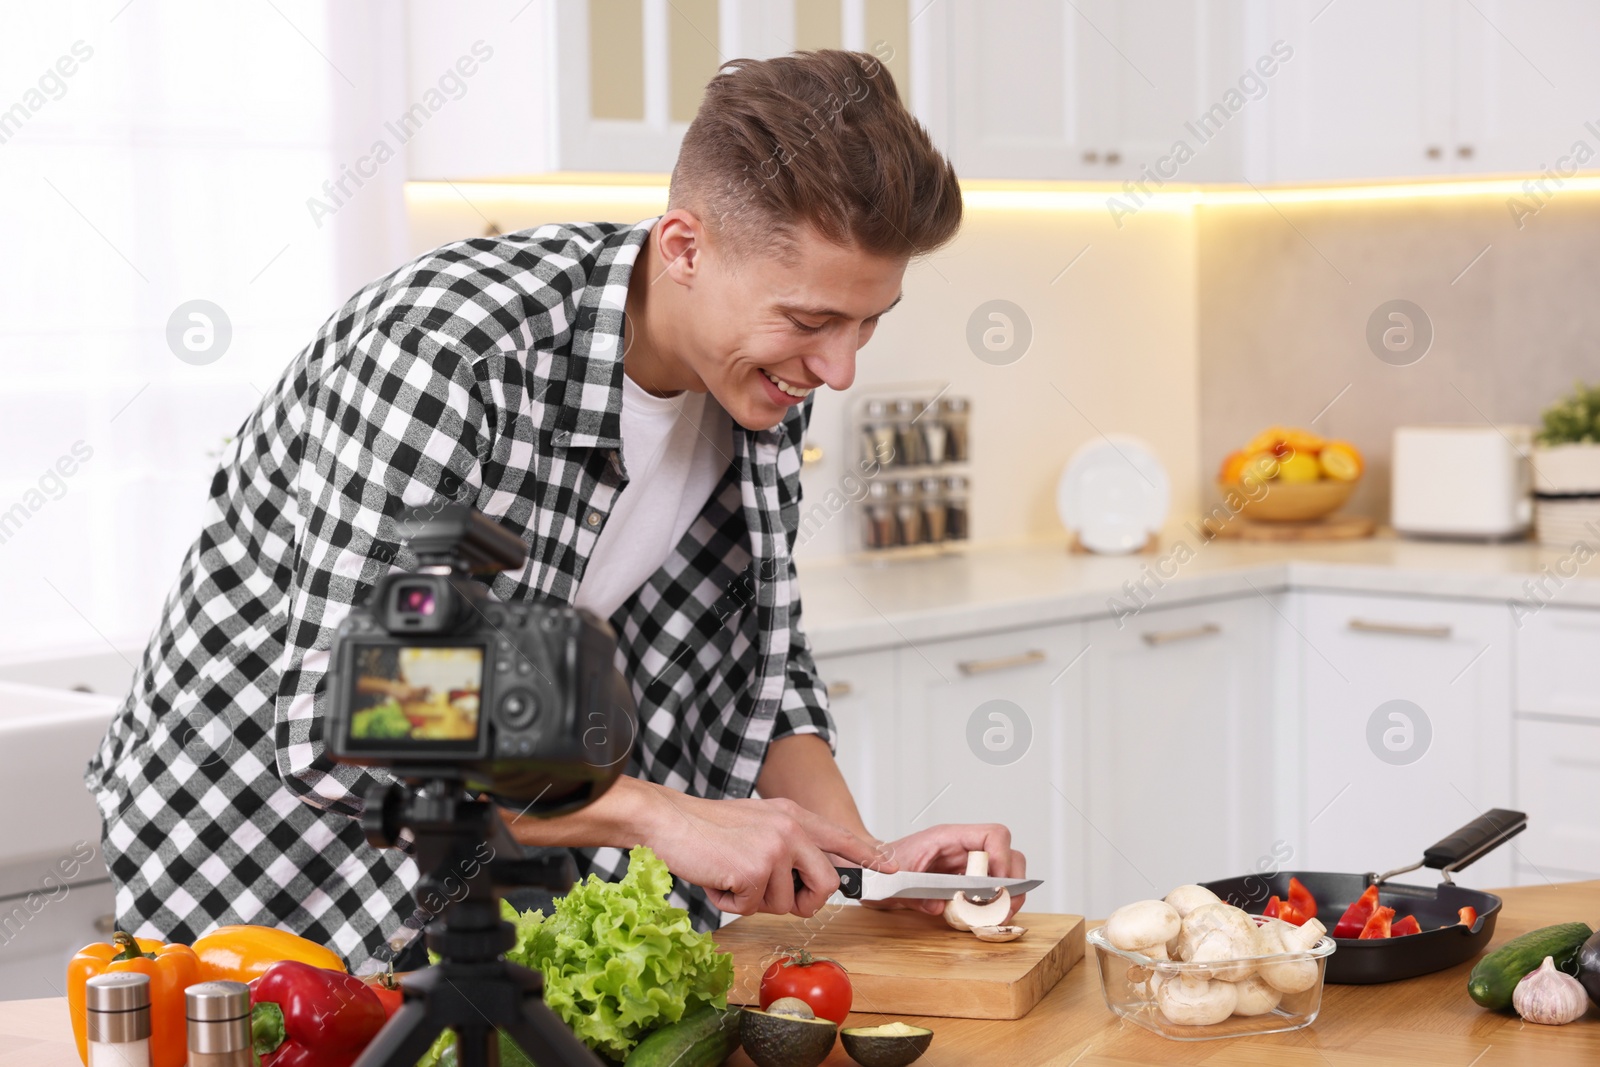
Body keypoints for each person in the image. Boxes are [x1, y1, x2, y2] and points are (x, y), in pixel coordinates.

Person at [85, 49, 1025, 972]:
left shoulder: (758, 372)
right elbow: (355, 713)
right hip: (268, 855)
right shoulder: (451, 355)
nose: (840, 368)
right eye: (813, 321)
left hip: (504, 826)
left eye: (870, 321)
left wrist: (871, 867)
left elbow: (758, 657)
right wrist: (659, 814)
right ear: (685, 247)